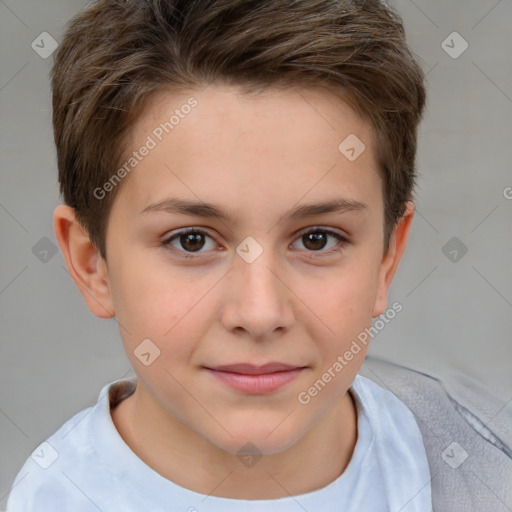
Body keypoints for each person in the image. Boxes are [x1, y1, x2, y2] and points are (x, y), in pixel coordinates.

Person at [6, 0, 434, 510]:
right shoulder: (55, 498)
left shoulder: (475, 473)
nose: (259, 314)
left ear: (387, 257)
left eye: (317, 238)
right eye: (191, 240)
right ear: (92, 263)